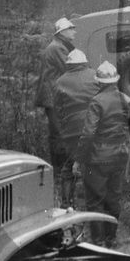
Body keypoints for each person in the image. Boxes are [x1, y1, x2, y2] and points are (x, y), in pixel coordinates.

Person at [73, 61, 130, 245]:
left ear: (99, 82)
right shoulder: (126, 99)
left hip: (98, 158)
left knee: (94, 200)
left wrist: (79, 159)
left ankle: (99, 241)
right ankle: (111, 238)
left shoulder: (96, 102)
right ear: (115, 81)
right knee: (113, 197)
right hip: (120, 155)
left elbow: (88, 133)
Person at [52, 49, 97, 206]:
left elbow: (57, 108)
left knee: (68, 169)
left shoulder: (60, 82)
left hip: (72, 133)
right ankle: (97, 203)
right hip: (95, 128)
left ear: (68, 65)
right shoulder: (95, 75)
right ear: (84, 62)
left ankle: (67, 204)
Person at [35, 17, 76, 176]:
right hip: (53, 97)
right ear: (62, 32)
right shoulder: (58, 48)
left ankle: (61, 169)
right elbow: (71, 68)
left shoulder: (58, 46)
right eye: (71, 28)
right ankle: (61, 171)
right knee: (60, 134)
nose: (74, 31)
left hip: (53, 96)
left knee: (58, 133)